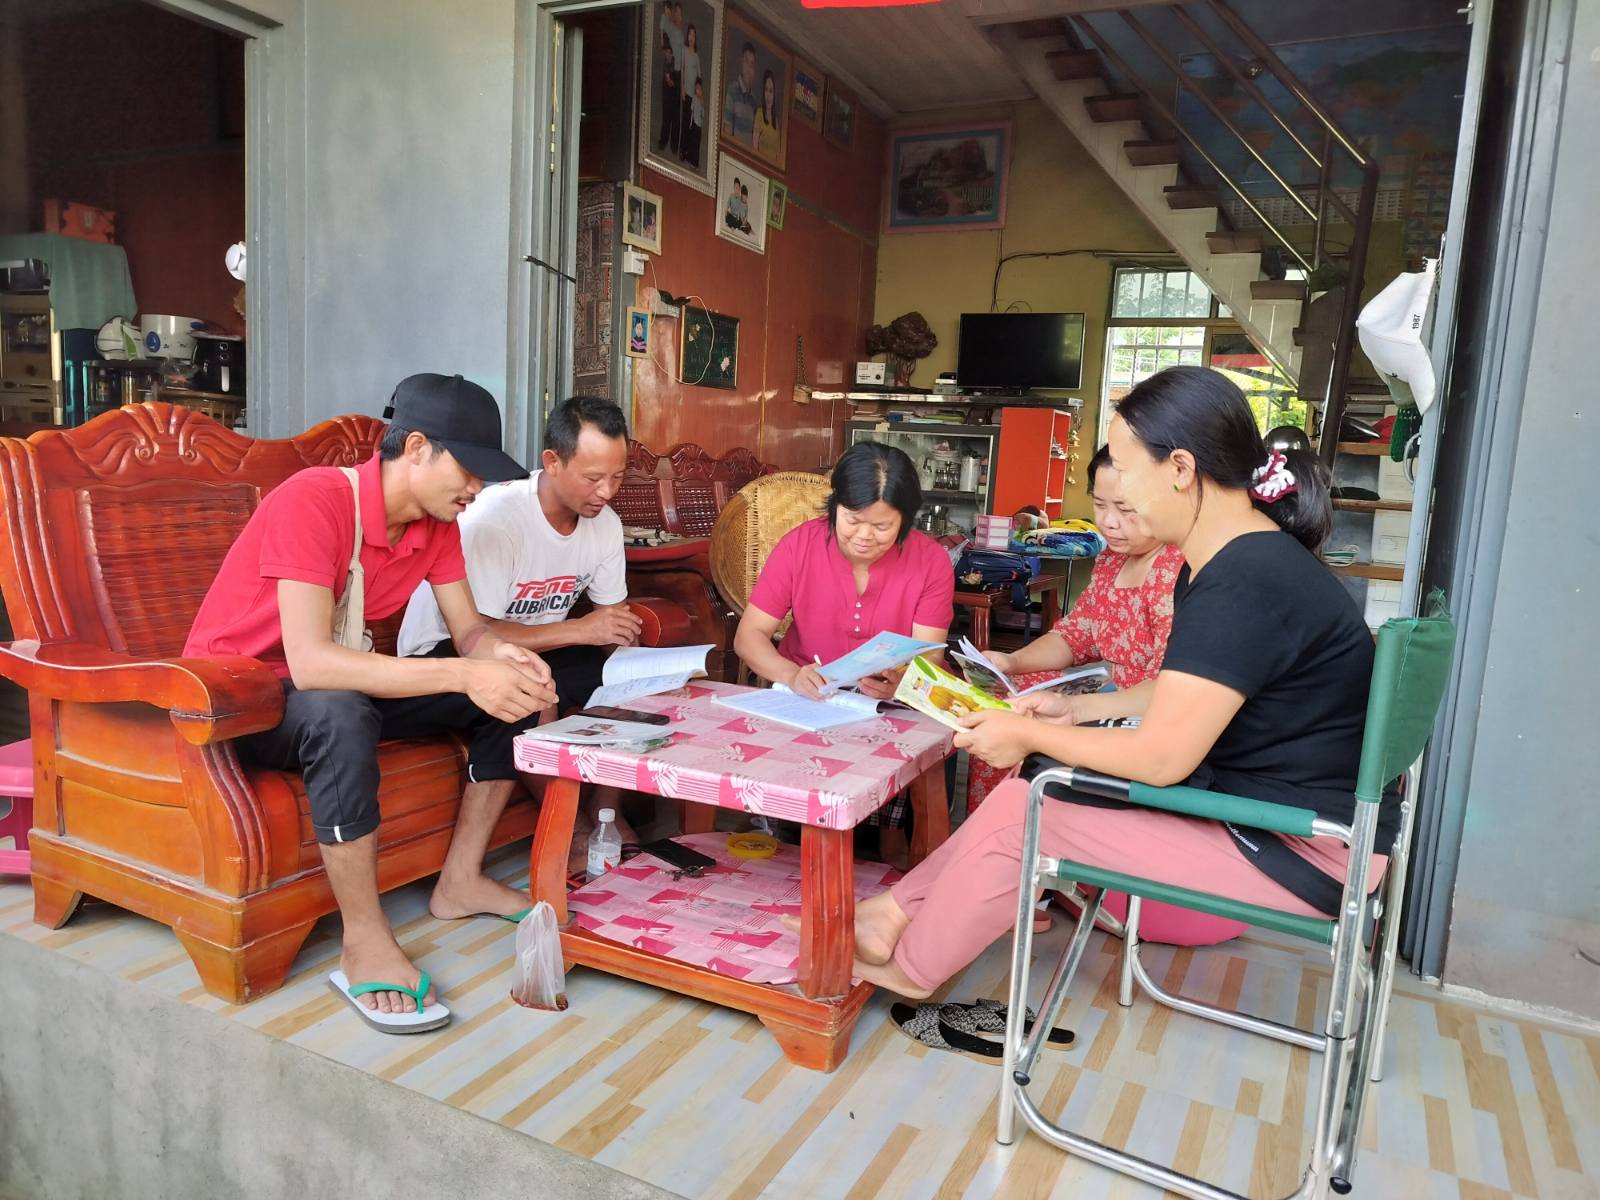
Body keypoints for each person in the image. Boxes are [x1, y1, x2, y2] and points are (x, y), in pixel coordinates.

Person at [845, 365, 1376, 1003]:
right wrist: (1078, 713)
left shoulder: (1243, 582)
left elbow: (1161, 758)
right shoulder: (1240, 560)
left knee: (1028, 809)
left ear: (1180, 469)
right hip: (1280, 817)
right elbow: (1189, 692)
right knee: (1034, 788)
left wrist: (1026, 734)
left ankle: (911, 967)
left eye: (1123, 469)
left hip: (1296, 845)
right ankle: (890, 916)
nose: (1114, 494)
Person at [184, 373, 559, 1030]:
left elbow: (469, 633)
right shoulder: (316, 500)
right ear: (416, 448)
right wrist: (463, 675)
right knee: (341, 710)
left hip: (337, 686)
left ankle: (460, 880)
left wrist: (502, 659)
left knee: (511, 695)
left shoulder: (436, 524)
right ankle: (364, 937)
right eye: (468, 468)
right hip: (240, 699)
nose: (477, 488)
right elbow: (310, 663)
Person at [398, 395, 643, 863]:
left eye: (617, 477)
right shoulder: (497, 519)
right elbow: (477, 633)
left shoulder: (605, 525)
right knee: (532, 685)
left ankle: (606, 816)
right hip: (447, 651)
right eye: (593, 478)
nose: (607, 491)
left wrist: (629, 668)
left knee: (633, 679)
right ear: (552, 462)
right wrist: (582, 630)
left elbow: (610, 625)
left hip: (534, 647)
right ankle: (572, 832)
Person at [734, 442, 954, 861]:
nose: (864, 536)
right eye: (852, 520)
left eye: (883, 526)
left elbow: (929, 660)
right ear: (835, 505)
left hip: (887, 705)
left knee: (922, 751)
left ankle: (896, 858)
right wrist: (791, 674)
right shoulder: (800, 545)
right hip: (808, 698)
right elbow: (749, 637)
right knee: (794, 833)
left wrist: (900, 683)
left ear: (906, 520)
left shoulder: (930, 561)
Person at [964, 445, 1184, 812]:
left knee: (1021, 723)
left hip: (1148, 717)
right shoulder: (1111, 560)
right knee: (1004, 699)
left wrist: (1074, 709)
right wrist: (1011, 662)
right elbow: (1075, 636)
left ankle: (1022, 819)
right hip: (1112, 697)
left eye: (1126, 509)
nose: (1109, 522)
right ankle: (996, 821)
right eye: (1100, 505)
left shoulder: (1177, 570)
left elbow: (1171, 691)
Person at [657, 1, 683, 153]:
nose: (677, 15)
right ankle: (663, 141)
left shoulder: (682, 34)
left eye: (680, 13)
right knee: (667, 109)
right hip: (669, 71)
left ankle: (674, 145)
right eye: (675, 12)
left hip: (679, 74)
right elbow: (665, 49)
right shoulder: (668, 26)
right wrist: (667, 76)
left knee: (676, 112)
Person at [724, 42, 758, 146]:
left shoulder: (754, 101)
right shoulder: (732, 90)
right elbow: (727, 128)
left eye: (751, 64)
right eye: (746, 62)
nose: (748, 68)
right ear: (741, 63)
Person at [678, 23, 702, 165]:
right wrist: (682, 87)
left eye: (694, 35)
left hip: (694, 96)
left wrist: (699, 96)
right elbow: (682, 69)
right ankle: (682, 149)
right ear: (687, 36)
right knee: (685, 121)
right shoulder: (684, 50)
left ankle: (688, 151)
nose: (691, 37)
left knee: (692, 125)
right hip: (686, 92)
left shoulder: (696, 56)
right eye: (690, 34)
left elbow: (699, 78)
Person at [755, 69, 781, 160]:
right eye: (766, 90)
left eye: (771, 91)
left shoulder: (776, 122)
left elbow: (778, 153)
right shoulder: (759, 113)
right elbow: (755, 146)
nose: (768, 95)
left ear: (774, 94)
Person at [683, 77, 705, 167]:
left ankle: (695, 162)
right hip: (694, 123)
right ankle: (690, 157)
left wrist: (702, 104)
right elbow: (692, 111)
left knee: (697, 144)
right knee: (691, 141)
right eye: (696, 89)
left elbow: (703, 114)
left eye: (699, 89)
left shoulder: (702, 101)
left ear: (702, 90)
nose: (698, 91)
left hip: (699, 125)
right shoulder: (694, 98)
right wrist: (690, 123)